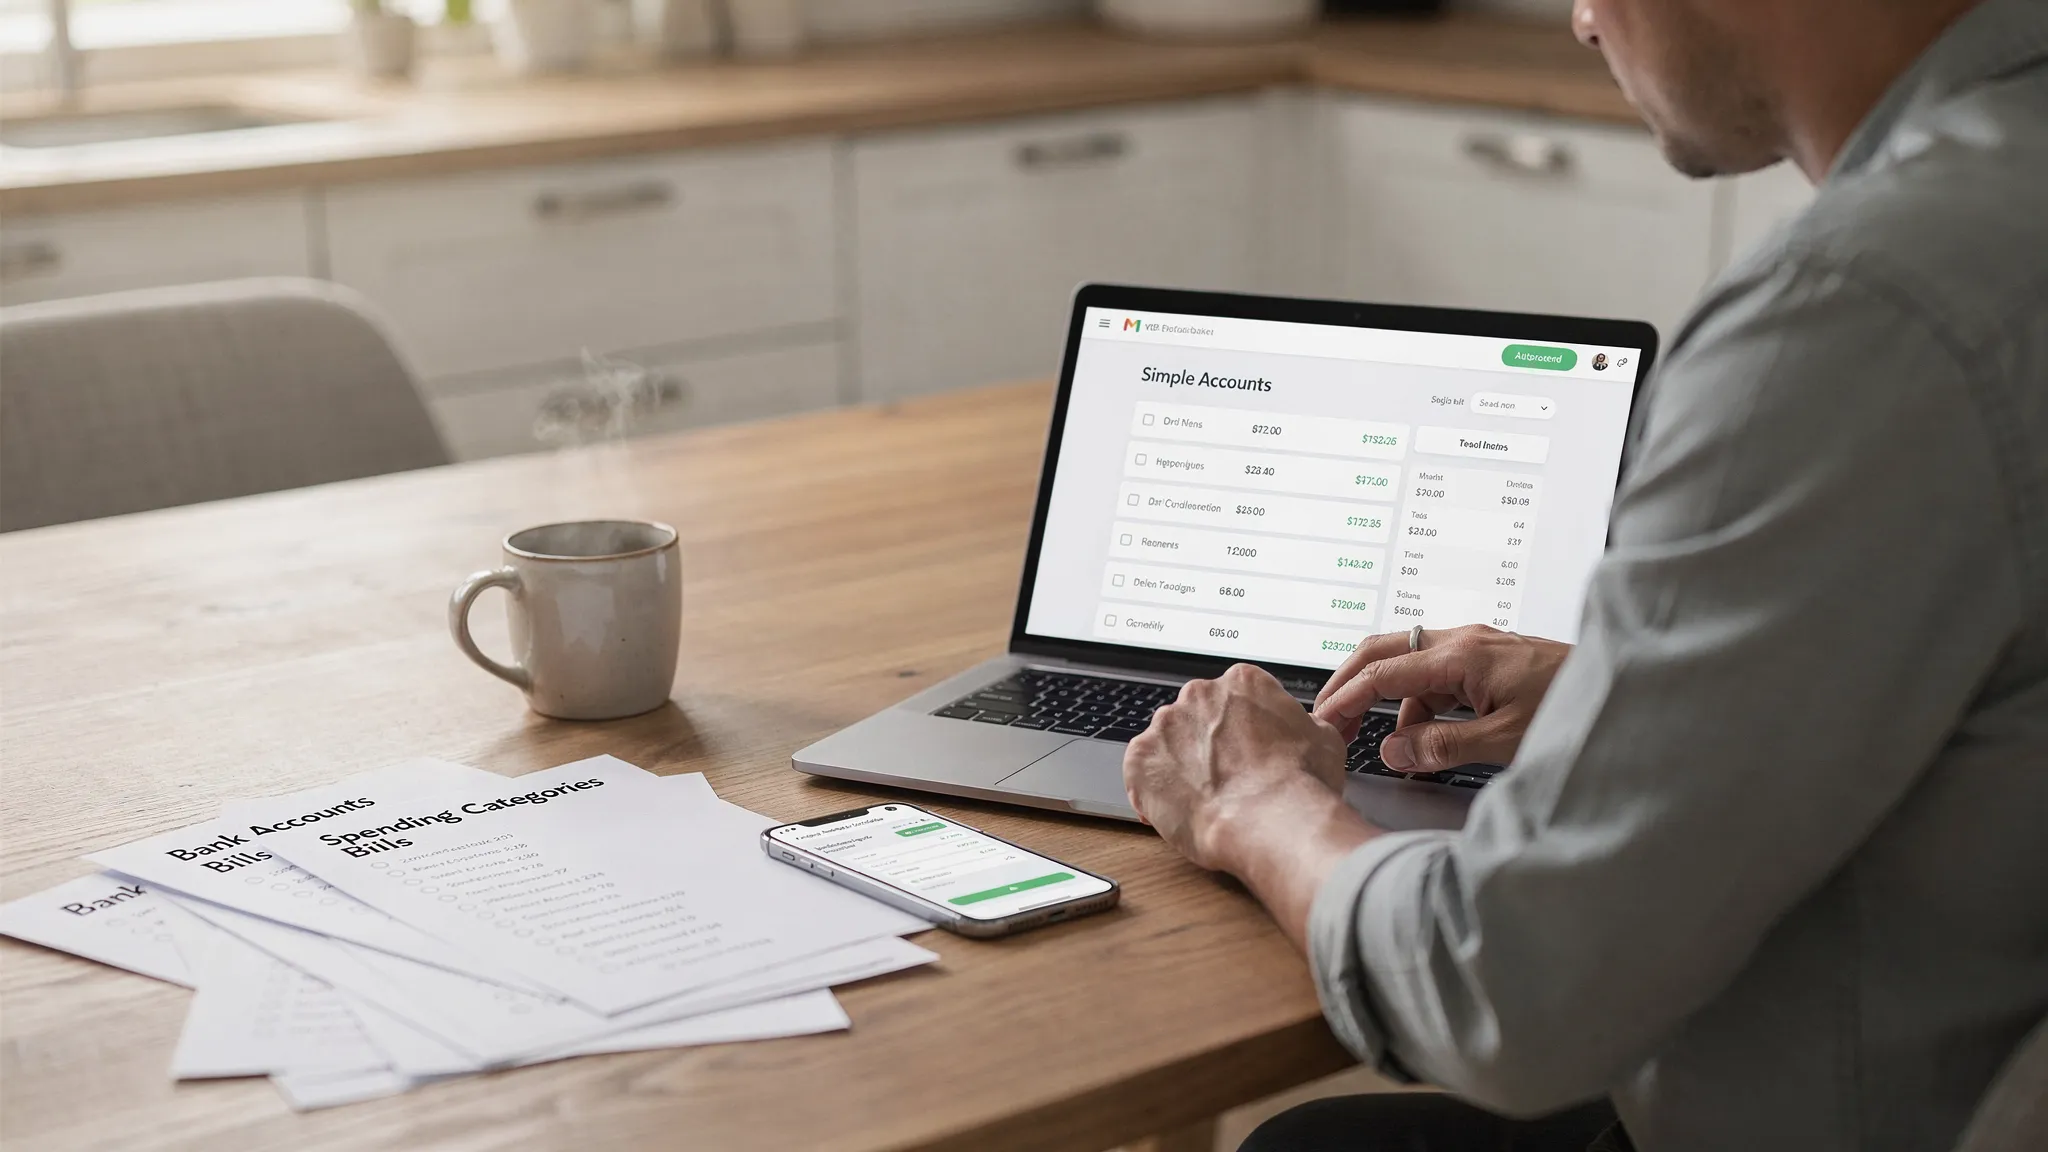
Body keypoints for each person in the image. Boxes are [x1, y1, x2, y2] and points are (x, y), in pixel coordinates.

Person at [1121, 0, 2048, 1149]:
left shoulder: (1858, 308)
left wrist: (1253, 800)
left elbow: (1503, 993)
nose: (1580, 22)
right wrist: (1633, 692)